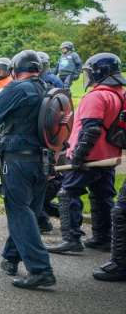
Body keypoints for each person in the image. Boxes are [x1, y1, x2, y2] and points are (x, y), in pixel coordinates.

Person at [0, 50, 56, 289]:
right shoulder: (47, 88)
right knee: (29, 212)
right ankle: (11, 258)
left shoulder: (17, 89)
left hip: (18, 160)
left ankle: (40, 269)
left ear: (14, 71)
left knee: (18, 213)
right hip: (43, 160)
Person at [47, 53, 125, 255]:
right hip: (108, 155)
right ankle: (102, 237)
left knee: (68, 193)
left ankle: (71, 239)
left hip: (89, 155)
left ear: (99, 72)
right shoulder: (120, 94)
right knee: (102, 195)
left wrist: (78, 157)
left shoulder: (97, 95)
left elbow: (91, 130)